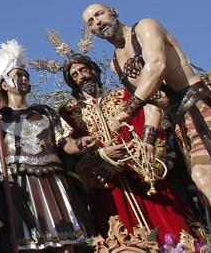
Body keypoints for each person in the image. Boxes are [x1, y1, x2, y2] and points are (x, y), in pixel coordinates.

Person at [81, 3, 211, 238]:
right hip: (178, 119)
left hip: (198, 105)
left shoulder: (145, 28)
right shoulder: (115, 64)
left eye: (99, 14)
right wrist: (148, 137)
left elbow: (156, 67)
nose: (97, 22)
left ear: (114, 12)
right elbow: (154, 100)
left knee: (205, 176)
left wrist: (127, 109)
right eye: (90, 22)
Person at [58, 53, 196, 246]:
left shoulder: (125, 97)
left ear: (93, 70)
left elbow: (148, 130)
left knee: (170, 234)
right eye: (75, 75)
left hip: (142, 177)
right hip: (108, 188)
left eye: (83, 70)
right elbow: (69, 150)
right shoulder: (69, 114)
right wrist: (102, 157)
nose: (81, 77)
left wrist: (124, 160)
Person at [0, 40, 91, 252]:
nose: (23, 77)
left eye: (25, 74)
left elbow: (64, 143)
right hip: (19, 187)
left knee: (67, 242)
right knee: (29, 243)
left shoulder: (45, 112)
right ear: (3, 84)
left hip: (53, 181)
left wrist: (82, 144)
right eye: (16, 74)